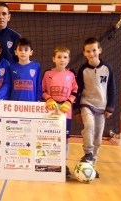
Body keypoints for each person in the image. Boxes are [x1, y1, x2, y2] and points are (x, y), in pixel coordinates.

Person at [74, 38, 116, 178]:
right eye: (88, 51)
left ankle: (91, 165)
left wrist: (110, 107)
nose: (91, 53)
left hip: (101, 106)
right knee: (89, 125)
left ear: (100, 50)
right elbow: (78, 90)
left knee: (98, 138)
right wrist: (77, 109)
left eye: (94, 50)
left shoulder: (107, 68)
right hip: (87, 103)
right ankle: (88, 153)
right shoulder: (83, 70)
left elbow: (111, 88)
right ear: (84, 53)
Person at [42, 46, 78, 178]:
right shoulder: (47, 74)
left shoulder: (71, 75)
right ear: (53, 59)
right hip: (50, 112)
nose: (62, 60)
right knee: (49, 138)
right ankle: (49, 163)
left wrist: (69, 102)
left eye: (65, 57)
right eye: (59, 57)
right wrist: (49, 99)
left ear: (68, 60)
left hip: (65, 113)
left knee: (64, 140)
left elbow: (75, 91)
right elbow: (42, 90)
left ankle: (63, 164)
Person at [9, 37, 41, 101]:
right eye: (20, 50)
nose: (23, 52)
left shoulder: (36, 66)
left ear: (31, 52)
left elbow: (38, 84)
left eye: (26, 50)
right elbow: (8, 85)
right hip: (14, 103)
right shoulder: (11, 67)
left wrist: (38, 98)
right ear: (16, 52)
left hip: (31, 104)